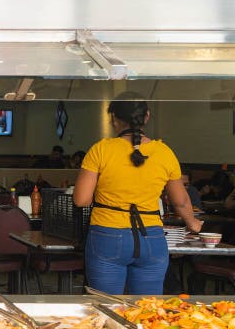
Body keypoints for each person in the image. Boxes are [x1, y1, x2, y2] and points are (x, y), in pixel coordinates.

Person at [73, 92, 202, 295]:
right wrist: (192, 223)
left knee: (106, 307)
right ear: (147, 116)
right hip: (151, 237)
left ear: (114, 119)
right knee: (148, 308)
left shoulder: (101, 150)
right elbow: (181, 202)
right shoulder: (164, 152)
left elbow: (81, 200)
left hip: (108, 235)